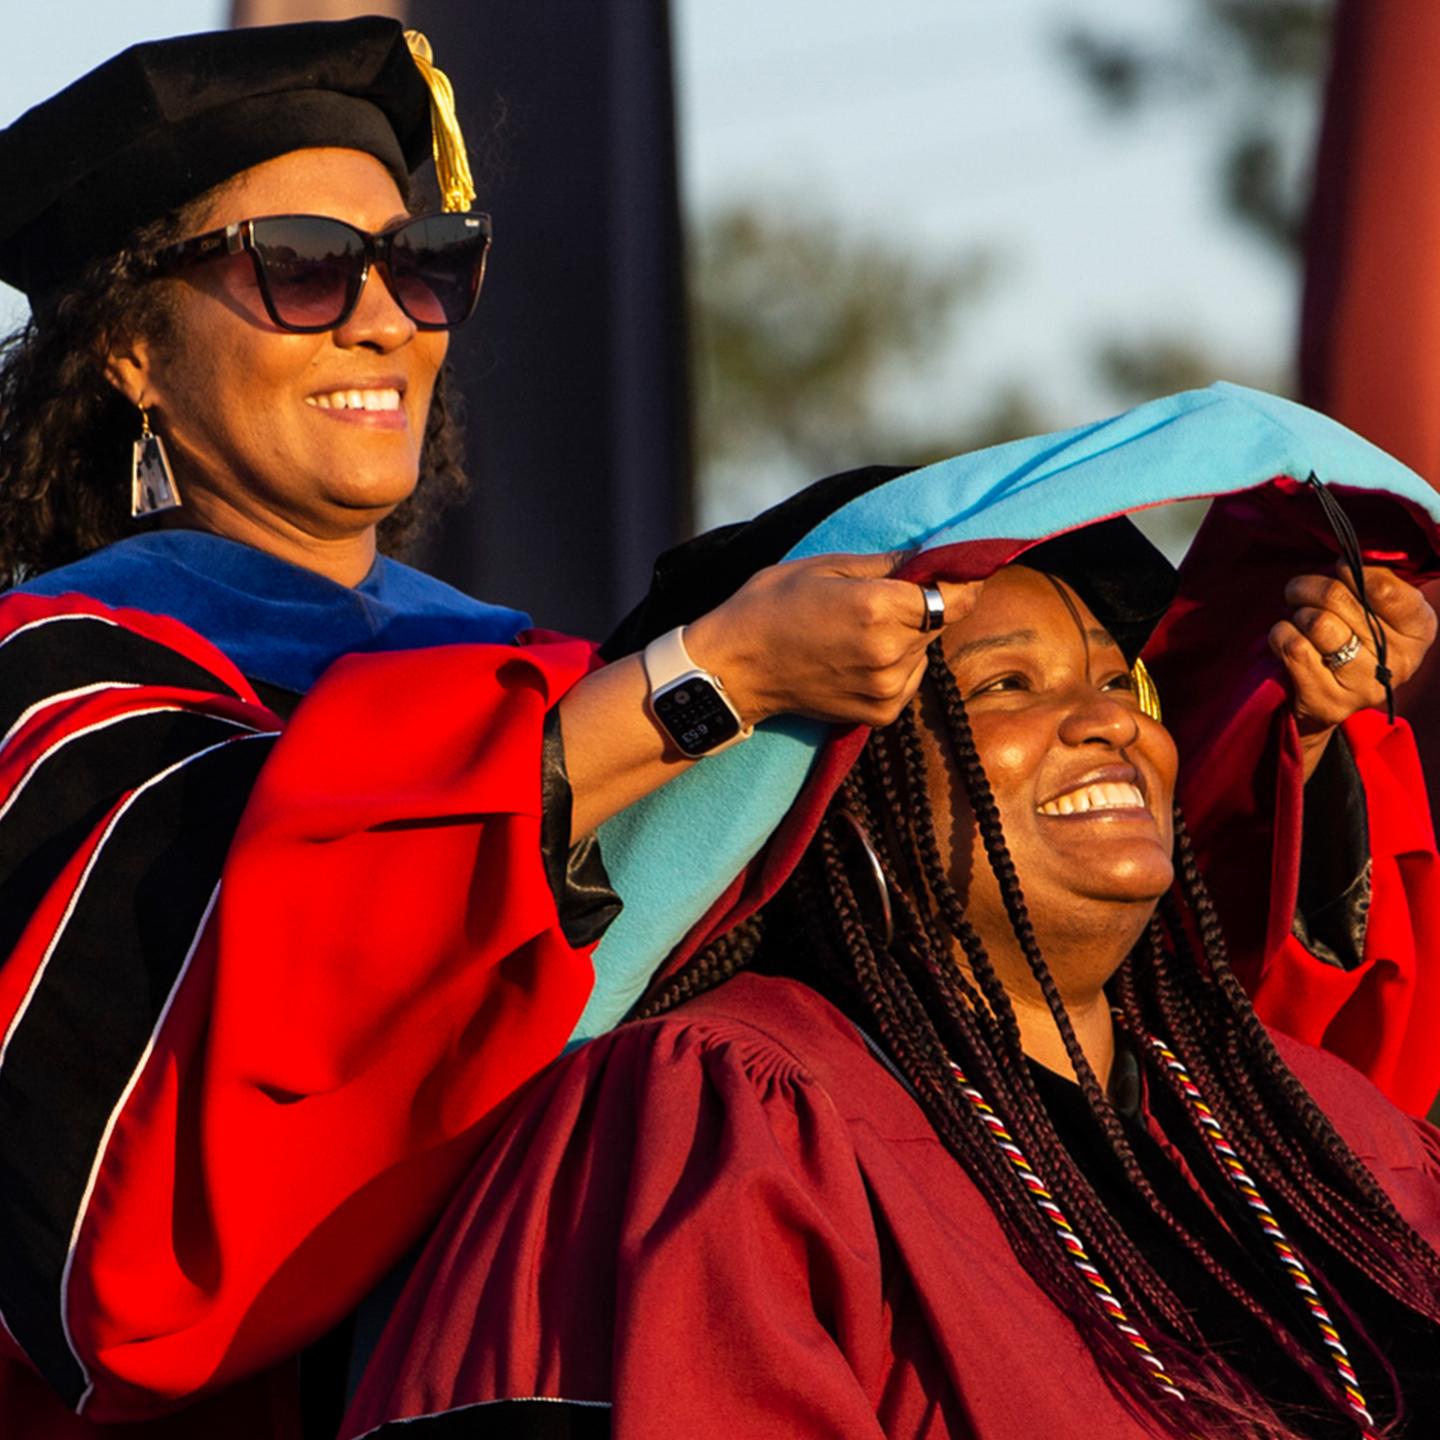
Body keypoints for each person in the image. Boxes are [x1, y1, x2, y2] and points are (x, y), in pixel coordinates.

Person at [0, 19, 981, 1439]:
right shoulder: (54, 690)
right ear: (133, 349)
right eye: (302, 267)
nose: (386, 318)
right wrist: (701, 687)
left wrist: (1289, 729)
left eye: (421, 263)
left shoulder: (524, 666)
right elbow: (168, 1191)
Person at [342, 387, 1440, 1439]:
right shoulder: (736, 1111)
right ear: (841, 782)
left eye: (1120, 684)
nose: (1107, 724)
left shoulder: (1322, 1129)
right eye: (1007, 686)